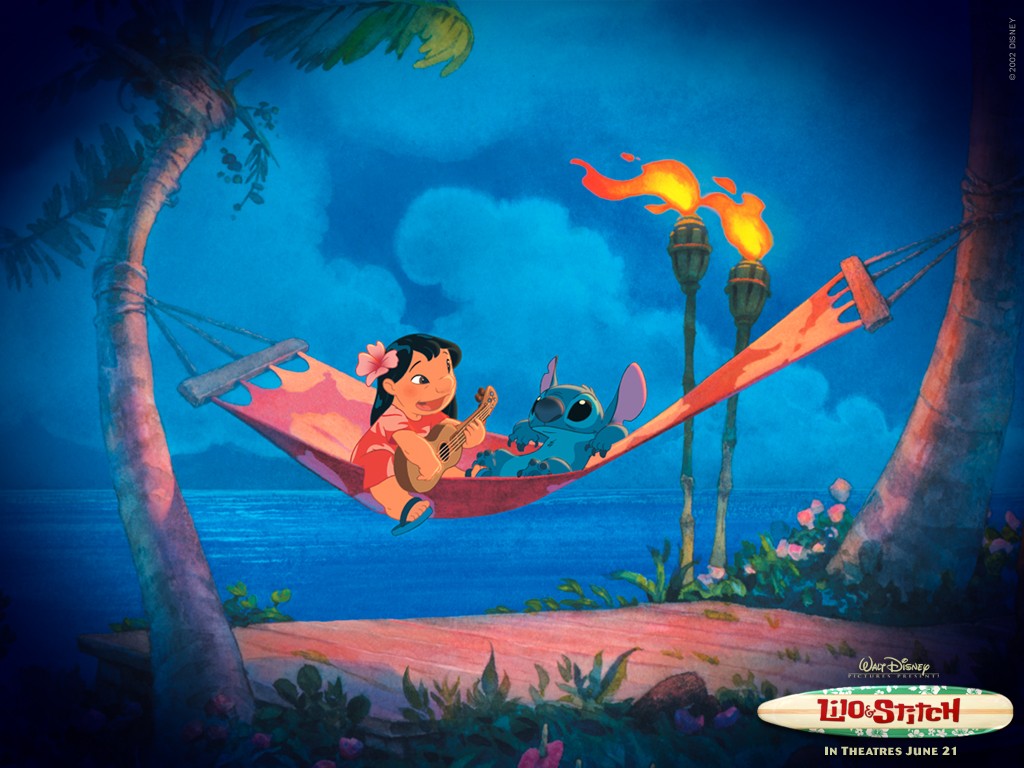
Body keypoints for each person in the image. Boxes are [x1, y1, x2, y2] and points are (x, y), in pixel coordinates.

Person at [351, 334, 485, 535]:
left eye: (447, 369)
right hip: (379, 466)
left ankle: (465, 476)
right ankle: (399, 504)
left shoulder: (428, 414)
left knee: (440, 458)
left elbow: (453, 428)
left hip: (415, 470)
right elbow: (409, 442)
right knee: (379, 462)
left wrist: (473, 434)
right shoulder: (392, 417)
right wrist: (426, 459)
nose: (444, 384)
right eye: (421, 379)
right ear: (391, 387)